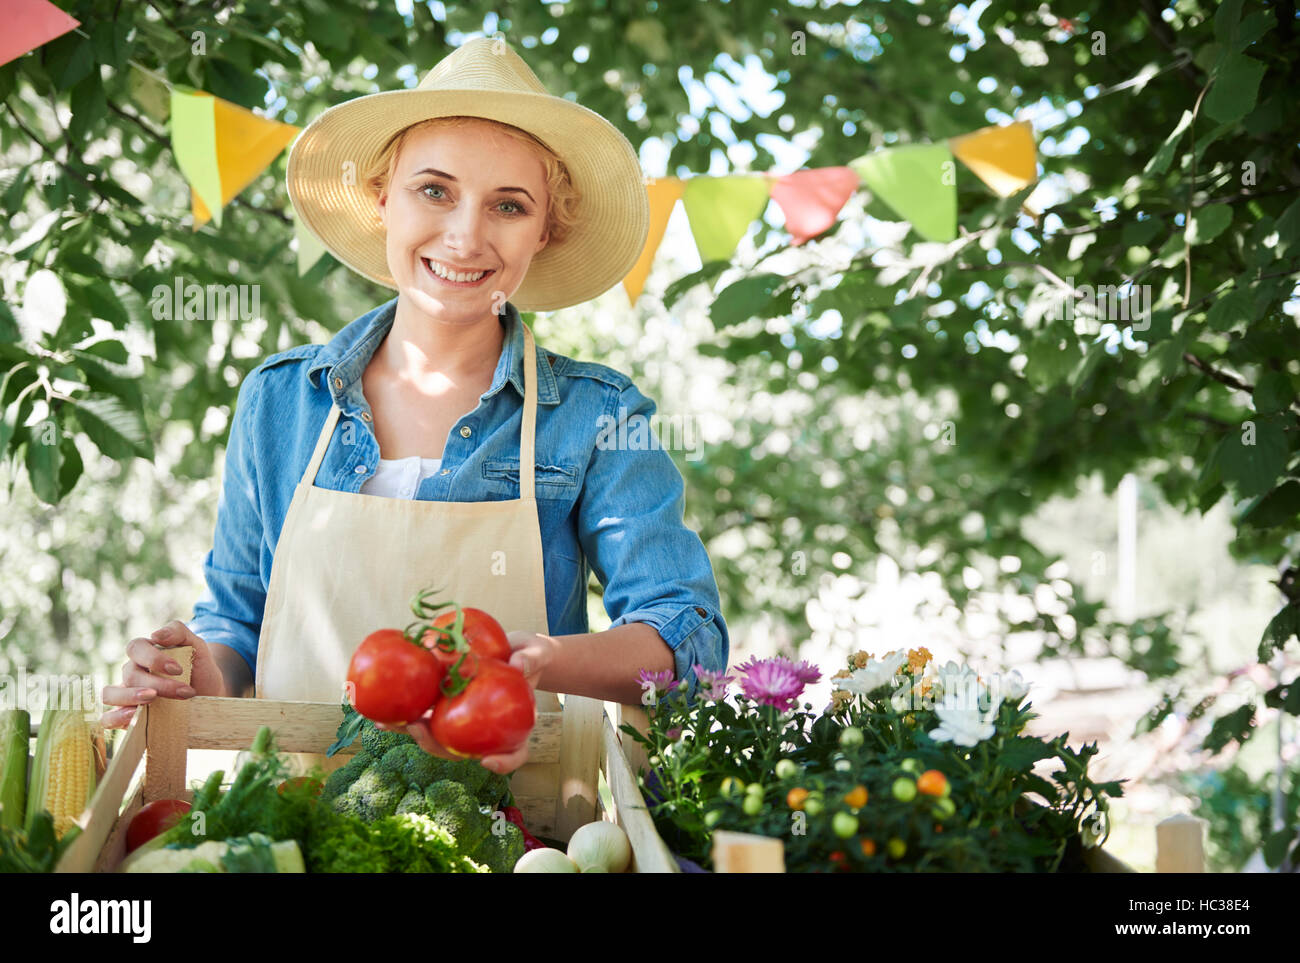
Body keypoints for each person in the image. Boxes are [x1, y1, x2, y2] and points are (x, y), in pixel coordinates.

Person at [99, 37, 730, 774]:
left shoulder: (596, 415)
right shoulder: (280, 400)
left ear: (544, 232)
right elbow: (239, 626)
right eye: (434, 190)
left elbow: (688, 642)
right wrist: (196, 668)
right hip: (294, 822)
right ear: (380, 199)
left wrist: (539, 660)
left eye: (509, 205)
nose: (465, 235)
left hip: (516, 827)